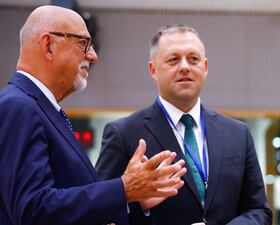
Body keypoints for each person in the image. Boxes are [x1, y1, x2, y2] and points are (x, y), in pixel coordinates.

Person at [0, 6, 186, 225]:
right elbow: (33, 209)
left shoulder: (42, 109)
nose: (93, 55)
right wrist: (123, 189)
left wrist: (135, 200)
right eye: (83, 43)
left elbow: (69, 206)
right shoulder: (18, 106)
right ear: (48, 45)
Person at [95, 24, 272, 225]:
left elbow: (258, 211)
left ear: (205, 67)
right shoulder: (124, 134)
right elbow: (100, 213)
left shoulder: (238, 133)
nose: (185, 66)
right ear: (153, 69)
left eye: (193, 59)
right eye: (173, 59)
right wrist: (139, 205)